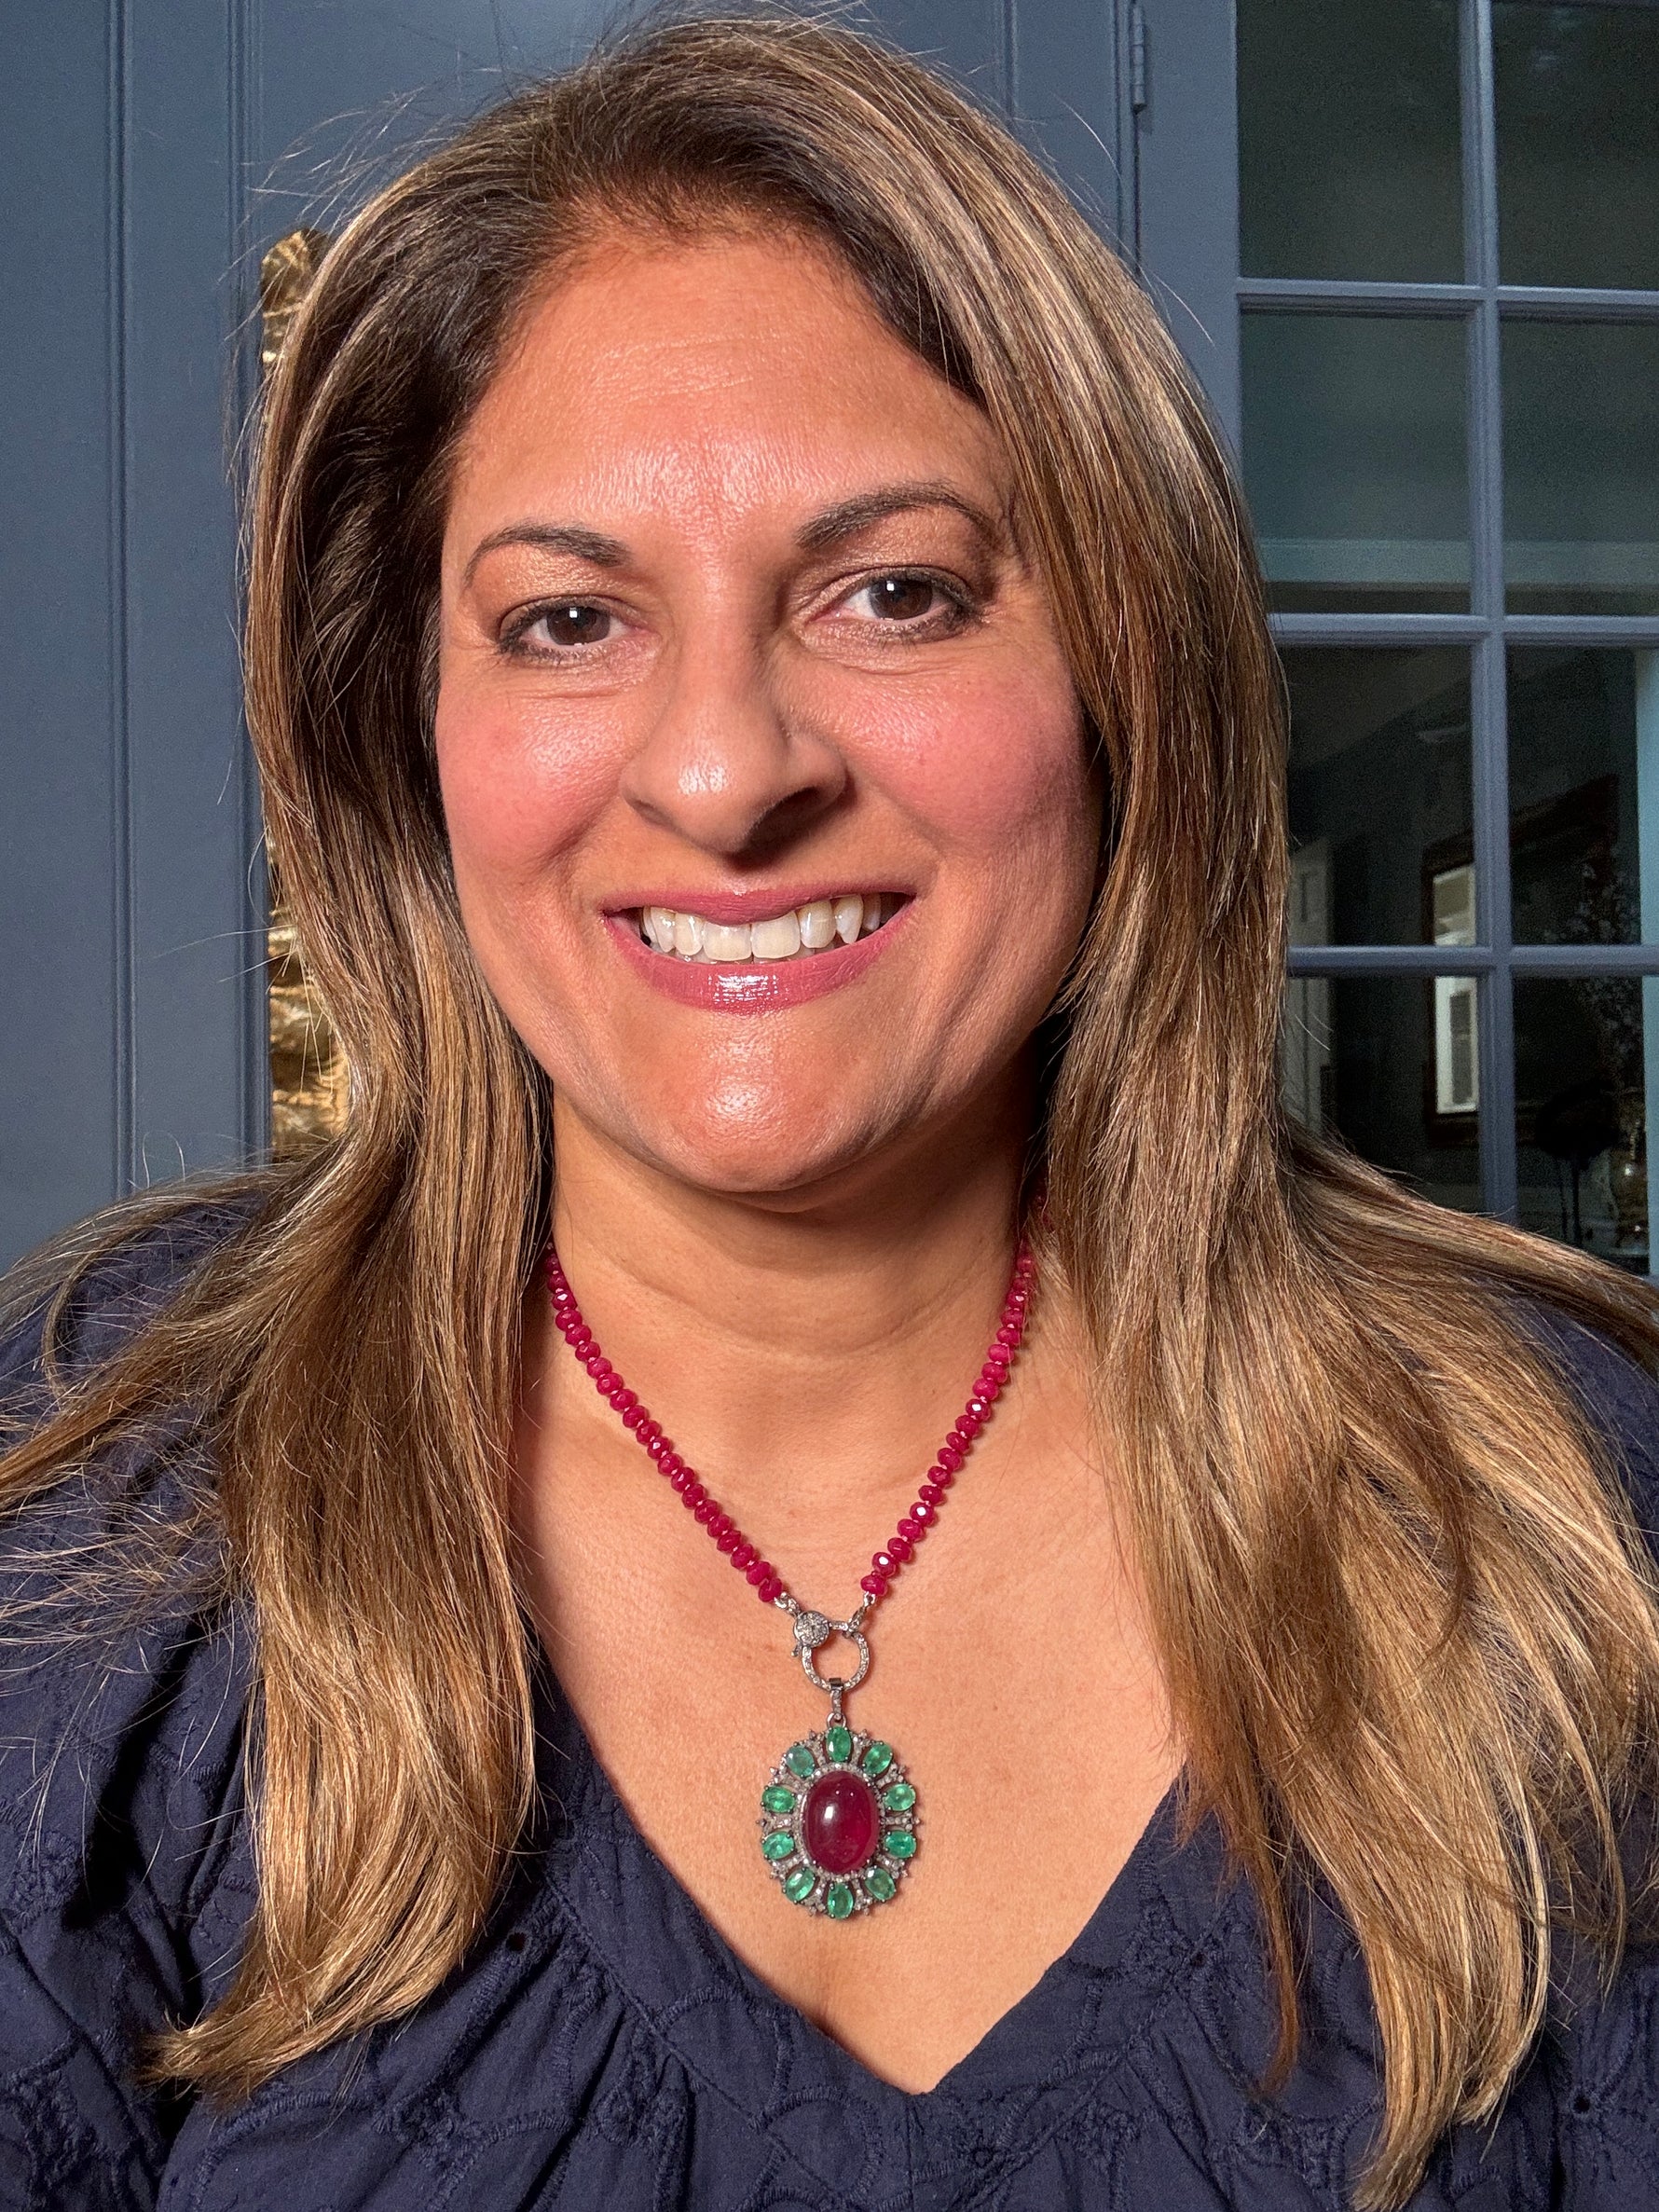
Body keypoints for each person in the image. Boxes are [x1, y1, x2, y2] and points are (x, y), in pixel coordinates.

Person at [3, 15, 1658, 2209]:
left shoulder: (1563, 1516)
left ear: (1123, 674)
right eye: (569, 616)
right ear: (403, 733)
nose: (718, 769)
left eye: (894, 591)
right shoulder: (101, 1542)